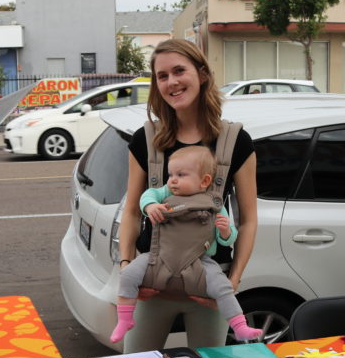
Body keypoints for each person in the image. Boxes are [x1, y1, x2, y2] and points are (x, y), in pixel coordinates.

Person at [118, 39, 259, 352]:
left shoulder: (236, 141)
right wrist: (126, 264)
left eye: (179, 71)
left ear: (202, 74)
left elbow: (248, 220)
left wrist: (233, 281)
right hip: (152, 287)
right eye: (162, 76)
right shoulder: (146, 139)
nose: (172, 82)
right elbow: (131, 211)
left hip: (207, 291)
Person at [111, 145, 262, 343]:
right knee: (129, 273)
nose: (173, 179)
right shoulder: (165, 193)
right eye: (170, 174)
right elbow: (147, 195)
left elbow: (229, 238)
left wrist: (225, 231)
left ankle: (239, 326)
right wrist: (150, 206)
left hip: (199, 262)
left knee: (223, 288)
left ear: (204, 181)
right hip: (158, 257)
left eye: (181, 174)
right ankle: (124, 319)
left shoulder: (214, 203)